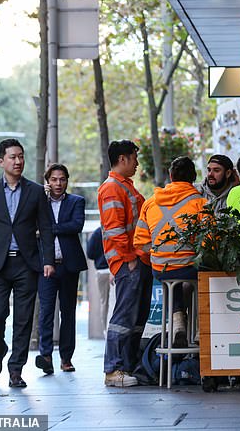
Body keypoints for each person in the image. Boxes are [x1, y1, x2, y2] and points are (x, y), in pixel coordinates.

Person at [0, 139, 55, 388]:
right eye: (12, 157)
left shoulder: (35, 191)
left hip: (27, 264)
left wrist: (48, 260)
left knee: (23, 319)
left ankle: (15, 369)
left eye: (21, 156)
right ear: (1, 161)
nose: (18, 161)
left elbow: (46, 228)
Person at [134, 156, 208, 347]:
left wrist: (159, 257)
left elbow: (140, 243)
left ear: (170, 176)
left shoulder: (150, 203)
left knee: (171, 277)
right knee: (205, 272)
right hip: (190, 268)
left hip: (160, 269)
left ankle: (178, 323)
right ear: (193, 177)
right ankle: (201, 329)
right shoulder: (201, 203)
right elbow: (211, 242)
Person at [98, 139, 152, 387]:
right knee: (123, 317)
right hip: (128, 261)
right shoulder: (112, 188)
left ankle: (129, 367)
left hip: (136, 260)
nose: (137, 163)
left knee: (135, 317)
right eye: (134, 158)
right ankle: (114, 370)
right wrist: (129, 259)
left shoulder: (125, 186)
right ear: (123, 159)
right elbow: (115, 230)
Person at [35, 163, 87, 375]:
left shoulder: (76, 201)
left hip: (68, 265)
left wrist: (47, 230)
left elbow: (76, 225)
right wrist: (41, 198)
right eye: (54, 179)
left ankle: (66, 358)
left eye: (62, 179)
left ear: (67, 180)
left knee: (68, 312)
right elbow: (30, 226)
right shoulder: (39, 203)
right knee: (46, 311)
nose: (58, 183)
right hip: (45, 266)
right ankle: (46, 355)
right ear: (47, 181)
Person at [87, 227, 113, 337]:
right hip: (115, 269)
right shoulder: (115, 229)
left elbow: (90, 253)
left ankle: (106, 331)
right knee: (114, 302)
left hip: (102, 271)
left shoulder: (97, 233)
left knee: (104, 302)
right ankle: (112, 330)